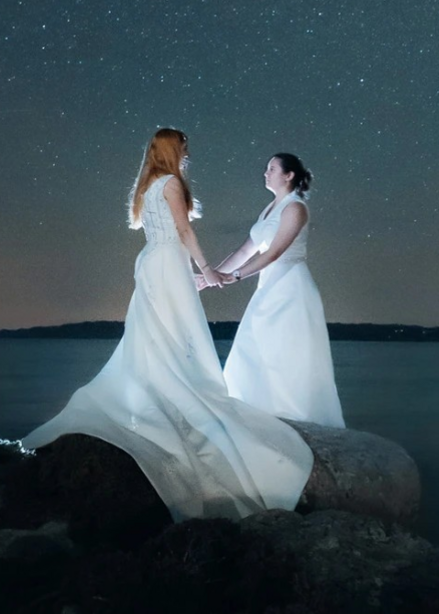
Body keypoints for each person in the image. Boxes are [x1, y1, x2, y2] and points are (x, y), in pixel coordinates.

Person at [20, 129, 312, 521]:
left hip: (152, 262)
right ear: (174, 149)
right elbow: (184, 231)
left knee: (154, 334)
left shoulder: (148, 185)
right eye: (185, 145)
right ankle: (176, 397)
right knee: (177, 334)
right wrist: (207, 270)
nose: (189, 150)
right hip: (169, 263)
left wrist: (212, 277)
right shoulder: (172, 182)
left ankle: (154, 390)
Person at [217, 153, 345, 428]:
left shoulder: (295, 208)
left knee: (285, 351)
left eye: (272, 169)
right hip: (268, 286)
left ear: (288, 175)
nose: (265, 173)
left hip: (290, 288)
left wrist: (236, 276)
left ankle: (292, 418)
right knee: (254, 346)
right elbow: (245, 250)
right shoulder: (269, 209)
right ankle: (252, 415)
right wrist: (213, 276)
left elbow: (275, 252)